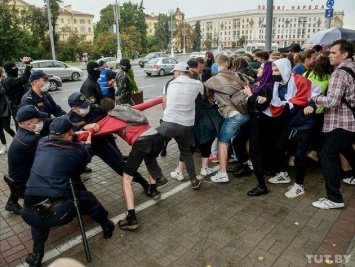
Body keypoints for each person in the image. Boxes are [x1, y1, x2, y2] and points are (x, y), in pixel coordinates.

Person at [21, 116, 114, 267]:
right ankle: (107, 225)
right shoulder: (77, 150)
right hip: (58, 213)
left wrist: (78, 133)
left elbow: (68, 137)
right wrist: (88, 142)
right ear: (67, 135)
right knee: (88, 198)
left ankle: (37, 255)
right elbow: (85, 157)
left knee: (40, 214)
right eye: (71, 132)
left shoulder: (42, 141)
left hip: (28, 212)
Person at [66, 92, 153, 196]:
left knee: (121, 166)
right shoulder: (69, 120)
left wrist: (116, 150)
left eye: (87, 104)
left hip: (101, 144)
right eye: (83, 106)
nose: (87, 107)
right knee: (73, 172)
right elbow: (70, 137)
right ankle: (82, 198)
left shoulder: (97, 109)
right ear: (74, 108)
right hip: (83, 148)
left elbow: (110, 126)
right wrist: (83, 128)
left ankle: (144, 183)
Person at [99, 101, 166, 230]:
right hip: (156, 136)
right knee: (149, 158)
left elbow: (96, 128)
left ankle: (131, 218)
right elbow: (144, 107)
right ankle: (153, 190)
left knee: (126, 180)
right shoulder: (128, 109)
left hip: (142, 142)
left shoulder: (111, 118)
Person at [265, 58, 320, 198]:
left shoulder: (300, 80)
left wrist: (311, 106)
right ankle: (284, 174)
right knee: (279, 148)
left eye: (276, 70)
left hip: (304, 123)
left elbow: (315, 94)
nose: (273, 73)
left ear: (284, 70)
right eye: (273, 70)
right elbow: (278, 102)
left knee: (300, 155)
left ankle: (299, 186)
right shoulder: (277, 84)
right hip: (290, 122)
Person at [311, 39, 355, 209]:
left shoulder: (340, 73)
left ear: (344, 54)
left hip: (341, 122)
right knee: (346, 149)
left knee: (327, 155)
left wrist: (313, 96)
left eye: (333, 52)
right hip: (350, 120)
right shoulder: (352, 67)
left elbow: (332, 101)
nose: (329, 56)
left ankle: (334, 198)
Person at [157, 62, 204, 189]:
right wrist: (195, 75)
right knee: (186, 152)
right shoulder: (197, 83)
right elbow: (203, 93)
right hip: (186, 124)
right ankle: (194, 180)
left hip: (169, 123)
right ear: (189, 72)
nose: (174, 74)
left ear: (177, 72)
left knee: (149, 147)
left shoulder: (171, 83)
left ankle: (158, 178)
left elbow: (165, 102)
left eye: (174, 72)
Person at [205, 54, 250, 183]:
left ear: (217, 63)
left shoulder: (215, 79)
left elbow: (206, 91)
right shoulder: (238, 75)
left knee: (222, 141)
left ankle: (222, 173)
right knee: (244, 138)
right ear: (228, 63)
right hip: (246, 112)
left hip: (233, 115)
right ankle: (250, 162)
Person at [5, 105, 48, 214]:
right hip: (23, 183)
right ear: (28, 124)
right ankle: (35, 213)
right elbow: (48, 153)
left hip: (15, 177)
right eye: (38, 120)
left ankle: (12, 203)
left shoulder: (22, 132)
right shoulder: (30, 140)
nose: (41, 121)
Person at [243, 61, 274, 196]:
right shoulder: (263, 83)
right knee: (241, 141)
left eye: (261, 68)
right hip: (258, 120)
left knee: (256, 152)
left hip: (260, 120)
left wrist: (250, 95)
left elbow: (259, 106)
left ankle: (261, 185)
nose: (259, 69)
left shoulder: (267, 86)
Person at [303, 56, 332, 162]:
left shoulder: (306, 74)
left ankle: (302, 152)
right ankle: (314, 151)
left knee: (305, 132)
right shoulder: (330, 78)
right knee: (317, 133)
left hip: (304, 107)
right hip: (320, 109)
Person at [2, 57, 32, 130]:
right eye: (14, 67)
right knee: (21, 127)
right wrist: (27, 66)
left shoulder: (11, 79)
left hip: (20, 105)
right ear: (9, 69)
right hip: (17, 107)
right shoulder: (9, 80)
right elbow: (23, 79)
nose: (16, 68)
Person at [0, 67, 15, 154]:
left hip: (5, 108)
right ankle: (4, 146)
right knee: (0, 130)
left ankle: (18, 140)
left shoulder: (4, 81)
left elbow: (2, 91)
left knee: (7, 127)